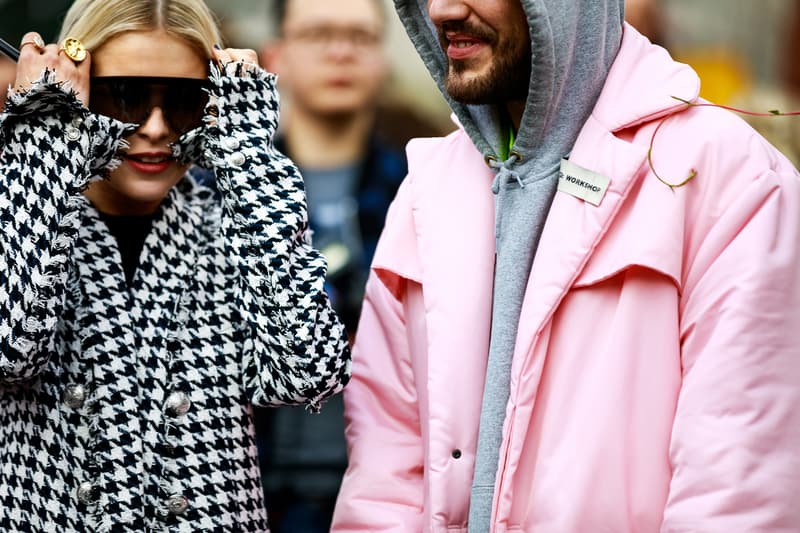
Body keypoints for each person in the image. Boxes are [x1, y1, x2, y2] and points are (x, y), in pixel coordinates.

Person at [332, 0, 800, 531]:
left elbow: (734, 492)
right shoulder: (425, 190)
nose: (442, 9)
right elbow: (382, 481)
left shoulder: (728, 177)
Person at [0, 0, 350, 531]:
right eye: (126, 97)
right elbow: (10, 352)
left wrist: (249, 157)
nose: (157, 128)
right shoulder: (24, 208)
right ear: (78, 93)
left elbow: (308, 373)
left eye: (187, 100)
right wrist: (47, 146)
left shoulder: (237, 219)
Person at [251, 1, 407, 530]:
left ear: (382, 59)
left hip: (388, 488)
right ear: (277, 56)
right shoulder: (227, 191)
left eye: (360, 37)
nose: (341, 51)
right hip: (251, 486)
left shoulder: (423, 188)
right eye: (319, 34)